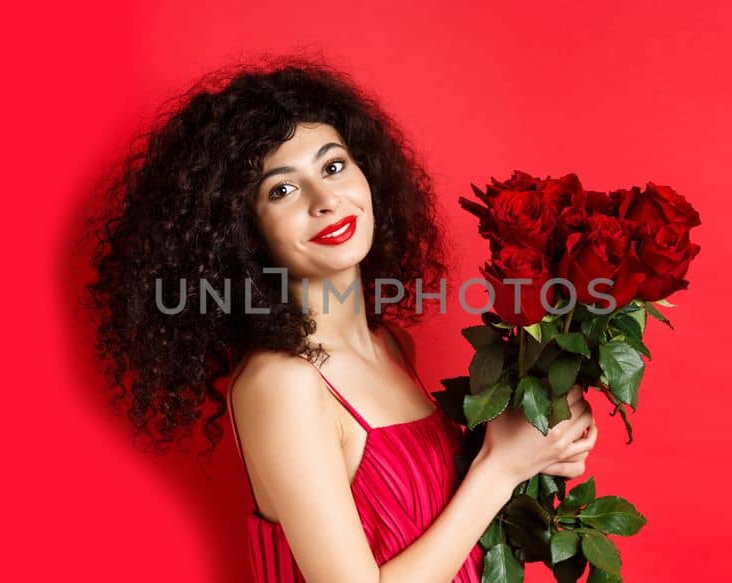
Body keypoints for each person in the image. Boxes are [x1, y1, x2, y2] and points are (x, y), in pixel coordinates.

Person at [86, 55, 598, 582]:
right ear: (243, 234)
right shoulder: (281, 384)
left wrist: (541, 449)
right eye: (282, 189)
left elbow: (440, 527)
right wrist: (500, 470)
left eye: (333, 166)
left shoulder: (392, 346)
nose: (326, 199)